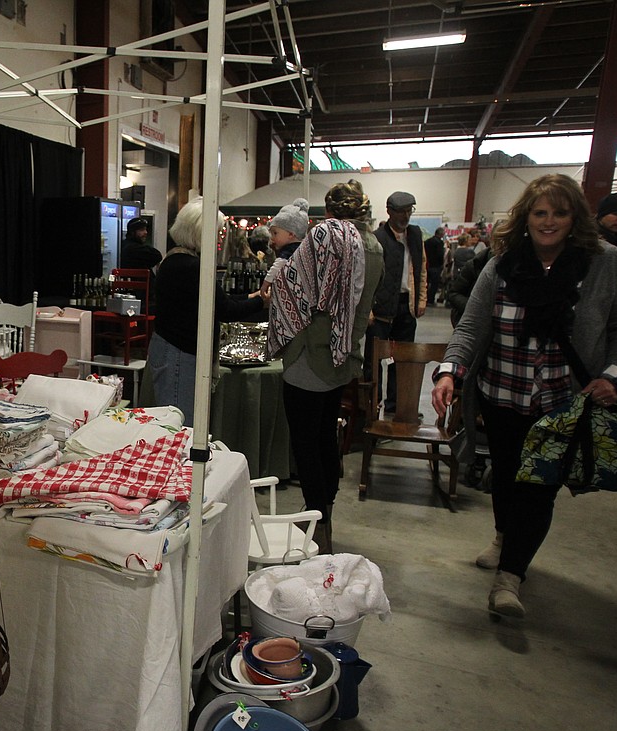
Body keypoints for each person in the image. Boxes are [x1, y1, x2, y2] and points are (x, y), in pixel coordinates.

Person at [430, 174, 617, 619]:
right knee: (506, 476)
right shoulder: (503, 263)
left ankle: (510, 577)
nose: (549, 222)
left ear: (575, 217)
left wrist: (613, 375)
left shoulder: (604, 263)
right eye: (540, 212)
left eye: (559, 213)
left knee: (538, 486)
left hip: (562, 404)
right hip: (501, 393)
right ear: (526, 217)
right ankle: (504, 536)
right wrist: (450, 371)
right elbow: (472, 326)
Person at [267, 180, 383, 554]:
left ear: (329, 210)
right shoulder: (373, 245)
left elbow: (294, 290)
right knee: (324, 436)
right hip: (344, 353)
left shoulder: (324, 237)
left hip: (309, 354)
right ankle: (324, 510)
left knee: (305, 440)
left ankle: (318, 521)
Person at [149, 197, 266, 425]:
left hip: (173, 349)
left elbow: (214, 300)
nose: (218, 237)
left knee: (176, 424)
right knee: (179, 426)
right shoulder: (191, 267)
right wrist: (260, 302)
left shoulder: (176, 260)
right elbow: (224, 308)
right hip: (180, 354)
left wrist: (249, 297)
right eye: (217, 232)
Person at [367, 191, 428, 413]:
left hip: (406, 305)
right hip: (380, 308)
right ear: (389, 211)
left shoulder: (415, 235)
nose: (405, 216)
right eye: (401, 211)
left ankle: (397, 404)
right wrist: (368, 309)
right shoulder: (377, 238)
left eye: (409, 211)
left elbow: (421, 268)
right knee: (375, 361)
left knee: (402, 359)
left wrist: (421, 299)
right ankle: (373, 404)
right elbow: (369, 275)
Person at [424, 226, 446, 305]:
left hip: (427, 265)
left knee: (425, 284)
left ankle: (424, 299)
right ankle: (430, 300)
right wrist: (441, 264)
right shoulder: (440, 243)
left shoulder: (427, 242)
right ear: (441, 235)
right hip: (436, 266)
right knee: (434, 284)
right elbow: (440, 255)